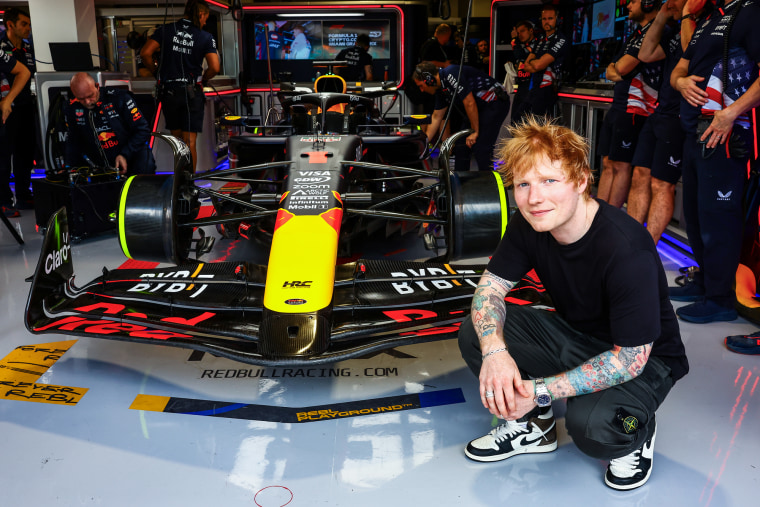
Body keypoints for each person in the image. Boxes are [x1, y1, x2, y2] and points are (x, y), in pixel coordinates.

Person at [458, 116, 688, 491]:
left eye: (550, 181)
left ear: (581, 182)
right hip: (577, 335)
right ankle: (534, 427)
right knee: (476, 332)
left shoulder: (626, 250)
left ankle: (637, 430)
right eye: (523, 184)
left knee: (594, 427)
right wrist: (496, 351)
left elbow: (628, 359)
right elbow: (490, 290)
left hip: (645, 359)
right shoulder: (529, 223)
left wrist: (537, 391)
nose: (535, 197)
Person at [669, 0, 760, 323]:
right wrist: (680, 82)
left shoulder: (750, 11)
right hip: (695, 130)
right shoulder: (710, 17)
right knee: (695, 217)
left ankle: (721, 299)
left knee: (718, 220)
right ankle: (705, 285)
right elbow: (681, 66)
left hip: (725, 133)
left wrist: (731, 114)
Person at [626, 0, 693, 243]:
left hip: (679, 116)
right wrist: (662, 17)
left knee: (661, 184)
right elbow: (645, 54)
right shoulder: (673, 31)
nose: (669, 2)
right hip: (660, 112)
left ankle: (647, 249)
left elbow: (692, 51)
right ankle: (632, 243)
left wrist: (686, 14)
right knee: (640, 174)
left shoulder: (700, 25)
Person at [141, 0, 220, 173]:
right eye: (205, 18)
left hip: (169, 92)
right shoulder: (205, 37)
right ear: (200, 15)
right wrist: (204, 79)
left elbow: (145, 53)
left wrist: (157, 72)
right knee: (190, 141)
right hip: (192, 92)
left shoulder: (166, 30)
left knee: (178, 141)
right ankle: (189, 184)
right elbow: (214, 67)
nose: (205, 22)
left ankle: (178, 180)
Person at [596, 0, 660, 208]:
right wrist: (617, 70)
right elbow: (610, 70)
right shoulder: (636, 34)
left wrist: (618, 70)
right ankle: (598, 215)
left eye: (633, 1)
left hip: (635, 106)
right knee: (607, 162)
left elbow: (621, 68)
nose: (628, 5)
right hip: (618, 104)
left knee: (621, 165)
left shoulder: (656, 31)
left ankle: (611, 220)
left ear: (649, 3)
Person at [413, 61, 510, 172]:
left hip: (494, 101)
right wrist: (423, 145)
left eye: (421, 86)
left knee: (481, 147)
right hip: (479, 108)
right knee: (461, 145)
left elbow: (469, 102)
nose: (421, 90)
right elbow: (436, 117)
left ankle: (489, 184)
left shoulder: (450, 73)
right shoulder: (441, 89)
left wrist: (475, 131)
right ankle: (461, 184)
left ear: (428, 79)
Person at [64, 73, 156, 177]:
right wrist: (69, 167)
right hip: (100, 166)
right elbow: (73, 140)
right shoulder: (72, 107)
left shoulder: (119, 98)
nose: (87, 102)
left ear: (97, 86)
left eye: (90, 96)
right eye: (81, 98)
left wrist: (125, 154)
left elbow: (142, 130)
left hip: (133, 156)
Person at [0, 7, 35, 217]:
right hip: (7, 108)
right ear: (10, 25)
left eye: (29, 24)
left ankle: (23, 195)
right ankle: (4, 201)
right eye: (24, 24)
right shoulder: (2, 46)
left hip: (25, 106)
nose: (28, 28)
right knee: (4, 155)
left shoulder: (27, 48)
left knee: (26, 152)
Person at [513, 5, 569, 120]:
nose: (546, 22)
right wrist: (535, 63)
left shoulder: (560, 39)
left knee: (537, 127)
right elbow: (526, 66)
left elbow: (538, 65)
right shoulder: (541, 38)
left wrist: (534, 63)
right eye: (544, 19)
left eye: (550, 18)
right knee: (517, 120)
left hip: (548, 89)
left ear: (557, 20)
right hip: (534, 88)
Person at [510, 20, 536, 123]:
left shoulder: (537, 45)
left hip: (531, 86)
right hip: (521, 86)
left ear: (531, 30)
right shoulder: (521, 45)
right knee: (515, 122)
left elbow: (520, 55)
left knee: (525, 122)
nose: (520, 34)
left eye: (523, 31)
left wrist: (514, 40)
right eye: (518, 32)